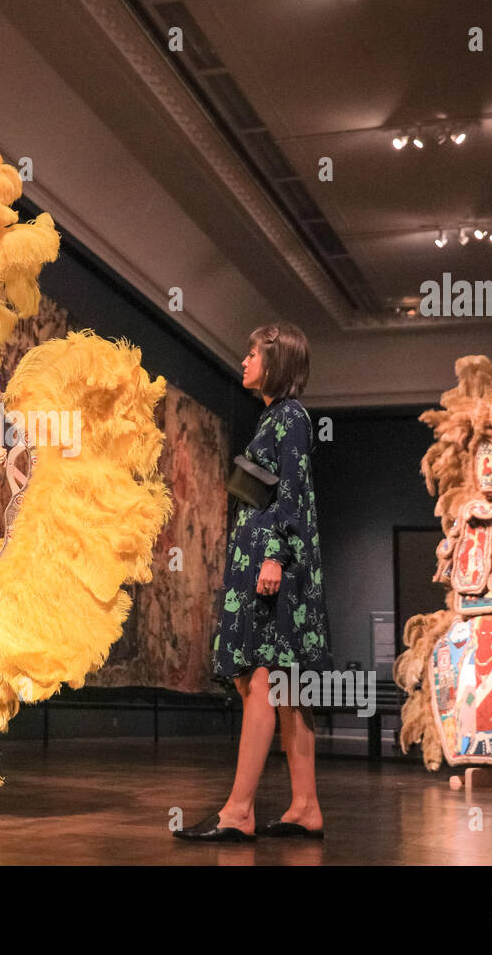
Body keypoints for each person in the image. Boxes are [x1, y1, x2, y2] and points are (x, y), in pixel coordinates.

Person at [175, 321, 333, 843]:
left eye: (253, 355)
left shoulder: (290, 417)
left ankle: (238, 810)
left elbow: (292, 493)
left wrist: (274, 556)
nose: (244, 362)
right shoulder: (277, 419)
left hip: (273, 565)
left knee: (262, 680)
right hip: (269, 560)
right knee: (284, 685)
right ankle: (305, 806)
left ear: (277, 363)